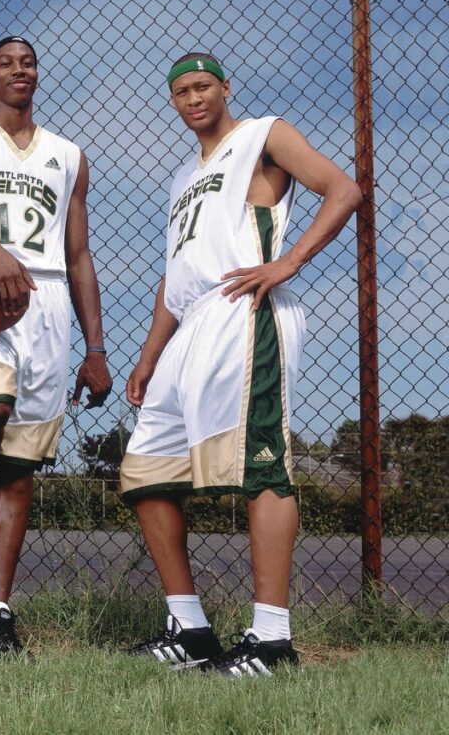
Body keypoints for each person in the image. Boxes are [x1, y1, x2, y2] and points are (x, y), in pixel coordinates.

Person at [121, 52, 362, 676]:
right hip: (189, 326)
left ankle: (272, 639)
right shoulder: (182, 177)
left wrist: (291, 260)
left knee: (262, 466)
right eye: (180, 92)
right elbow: (174, 276)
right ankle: (191, 629)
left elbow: (344, 189)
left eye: (202, 86)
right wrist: (149, 357)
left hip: (243, 310)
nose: (192, 98)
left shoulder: (264, 134)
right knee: (146, 473)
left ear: (225, 87)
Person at [0, 36, 113, 656]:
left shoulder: (69, 155)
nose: (19, 70)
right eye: (7, 63)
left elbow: (80, 254)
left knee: (23, 468)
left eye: (28, 63)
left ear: (38, 75)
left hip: (50, 302)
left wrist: (95, 348)